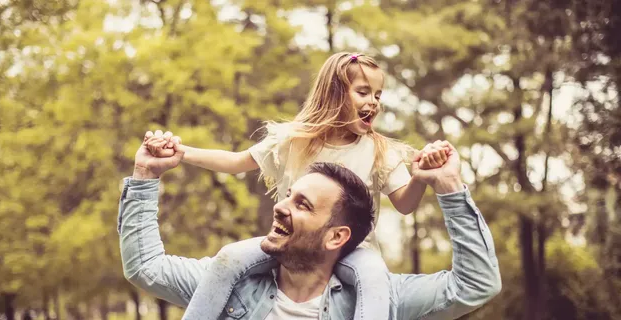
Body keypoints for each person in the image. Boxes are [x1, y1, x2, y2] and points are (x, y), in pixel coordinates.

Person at [143, 52, 450, 319]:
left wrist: (421, 178)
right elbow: (236, 162)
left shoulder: (379, 150)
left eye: (378, 95)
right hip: (291, 246)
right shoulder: (293, 140)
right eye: (363, 92)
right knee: (229, 258)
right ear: (335, 93)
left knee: (374, 278)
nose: (373, 102)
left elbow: (406, 205)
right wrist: (183, 153)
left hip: (354, 250)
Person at [119, 135, 501, 319]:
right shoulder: (228, 284)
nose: (281, 207)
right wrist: (144, 177)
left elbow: (475, 286)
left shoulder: (378, 299)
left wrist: (449, 188)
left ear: (338, 236)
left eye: (302, 204)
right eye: (288, 195)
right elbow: (145, 268)